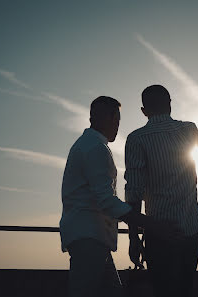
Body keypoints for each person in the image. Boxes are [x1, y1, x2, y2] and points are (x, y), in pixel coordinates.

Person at [60, 96, 177, 297]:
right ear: (110, 117)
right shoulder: (96, 149)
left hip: (90, 237)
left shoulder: (86, 145)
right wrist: (152, 224)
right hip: (90, 238)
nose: (117, 126)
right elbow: (106, 201)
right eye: (117, 120)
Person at [124, 85, 198, 297]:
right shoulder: (188, 129)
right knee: (185, 290)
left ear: (144, 111)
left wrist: (133, 239)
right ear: (170, 105)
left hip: (160, 233)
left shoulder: (137, 139)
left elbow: (134, 194)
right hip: (191, 230)